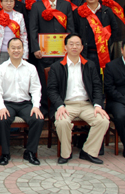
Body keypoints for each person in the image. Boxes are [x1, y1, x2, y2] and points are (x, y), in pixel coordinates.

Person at [47, 34, 110, 164]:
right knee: (62, 122)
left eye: (77, 44)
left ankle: (88, 151)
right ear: (65, 47)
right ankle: (66, 154)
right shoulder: (57, 67)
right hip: (67, 105)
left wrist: (98, 105)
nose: (74, 47)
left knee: (103, 121)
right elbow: (52, 90)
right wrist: (60, 106)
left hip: (87, 105)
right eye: (71, 44)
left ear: (82, 47)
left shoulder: (89, 65)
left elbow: (97, 87)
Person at [0, 38, 44, 166]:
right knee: (2, 119)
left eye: (19, 48)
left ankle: (30, 152)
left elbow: (36, 89)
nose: (16, 50)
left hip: (25, 104)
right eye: (13, 48)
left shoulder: (30, 68)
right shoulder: (1, 69)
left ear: (23, 49)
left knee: (38, 119)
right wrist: (1, 107)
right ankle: (5, 153)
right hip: (7, 103)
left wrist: (36, 106)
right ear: (8, 50)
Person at [73, 0, 118, 69]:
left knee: (103, 75)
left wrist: (108, 42)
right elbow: (75, 30)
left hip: (103, 51)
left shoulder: (106, 11)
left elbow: (114, 28)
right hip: (86, 52)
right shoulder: (78, 12)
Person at [0, 0, 29, 66]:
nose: (9, 3)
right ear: (1, 3)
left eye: (11, 1)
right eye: (6, 1)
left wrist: (25, 54)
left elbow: (23, 35)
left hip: (16, 51)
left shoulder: (19, 16)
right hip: (0, 52)